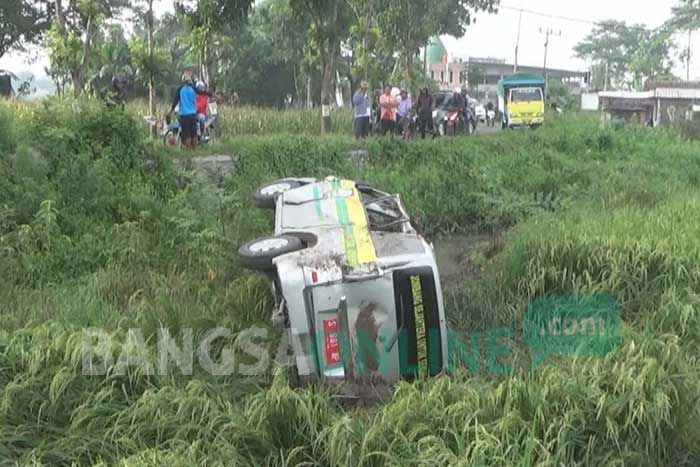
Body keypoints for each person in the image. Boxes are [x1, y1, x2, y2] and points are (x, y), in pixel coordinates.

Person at [170, 70, 199, 150]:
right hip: (193, 114)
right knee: (194, 134)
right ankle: (195, 150)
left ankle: (188, 151)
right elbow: (196, 100)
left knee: (187, 134)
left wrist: (171, 111)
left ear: (183, 81)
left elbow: (176, 101)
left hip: (184, 115)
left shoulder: (181, 90)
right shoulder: (193, 89)